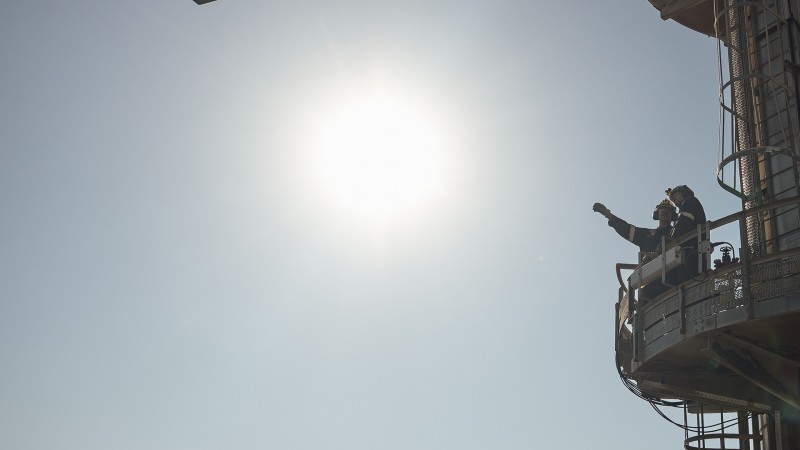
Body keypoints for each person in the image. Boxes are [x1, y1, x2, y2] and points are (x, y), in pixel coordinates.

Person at [593, 200, 677, 254]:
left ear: (673, 215)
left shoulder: (677, 231)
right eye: (662, 209)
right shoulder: (648, 234)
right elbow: (627, 229)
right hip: (650, 275)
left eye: (668, 210)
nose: (665, 211)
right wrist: (608, 215)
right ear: (657, 214)